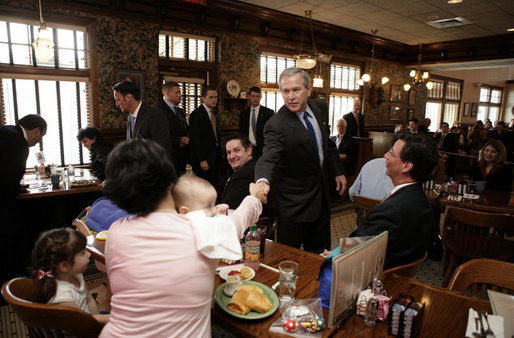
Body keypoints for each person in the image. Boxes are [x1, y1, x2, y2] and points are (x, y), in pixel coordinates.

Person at [100, 139, 264, 337]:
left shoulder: (116, 232)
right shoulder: (202, 228)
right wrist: (254, 196)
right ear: (169, 178)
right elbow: (242, 216)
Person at [255, 67, 346, 254]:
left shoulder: (320, 108)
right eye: (285, 91)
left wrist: (338, 170)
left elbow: (326, 143)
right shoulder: (276, 124)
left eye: (296, 90)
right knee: (288, 259)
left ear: (309, 90)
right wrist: (262, 180)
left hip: (321, 200)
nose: (290, 96)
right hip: (294, 206)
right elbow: (269, 156)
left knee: (321, 257)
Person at [351, 133, 439, 269]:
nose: (385, 156)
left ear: (406, 166)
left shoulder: (390, 212)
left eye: (391, 154)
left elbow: (353, 254)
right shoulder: (422, 201)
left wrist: (333, 256)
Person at [1, 114, 47, 284]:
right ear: (36, 131)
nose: (38, 141)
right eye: (41, 136)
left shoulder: (6, 131)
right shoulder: (19, 143)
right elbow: (9, 181)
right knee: (9, 238)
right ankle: (14, 283)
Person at [30, 228, 109, 323]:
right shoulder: (63, 296)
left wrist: (99, 319)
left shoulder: (75, 274)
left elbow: (89, 300)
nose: (89, 254)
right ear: (64, 265)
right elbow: (82, 322)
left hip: (89, 321)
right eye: (83, 253)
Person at [113, 80, 171, 157]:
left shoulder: (154, 114)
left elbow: (162, 149)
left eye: (118, 100)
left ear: (129, 98)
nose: (116, 104)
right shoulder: (130, 118)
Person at [189, 85, 222, 190]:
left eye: (216, 97)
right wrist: (202, 159)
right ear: (203, 98)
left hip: (214, 157)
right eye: (211, 97)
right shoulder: (196, 114)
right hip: (203, 160)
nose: (214, 100)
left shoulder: (213, 113)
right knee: (203, 189)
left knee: (214, 187)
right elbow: (195, 139)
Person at [157, 81, 189, 174]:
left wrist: (188, 138)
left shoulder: (180, 111)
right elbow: (159, 136)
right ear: (167, 94)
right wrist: (177, 141)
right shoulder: (158, 111)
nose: (180, 95)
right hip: (168, 158)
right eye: (177, 93)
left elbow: (185, 130)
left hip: (182, 158)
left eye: (180, 92)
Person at [238, 87, 274, 159]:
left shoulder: (268, 113)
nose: (255, 99)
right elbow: (241, 133)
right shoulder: (244, 114)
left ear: (261, 97)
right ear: (249, 97)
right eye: (253, 96)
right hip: (248, 149)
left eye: (257, 96)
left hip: (263, 149)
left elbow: (272, 132)